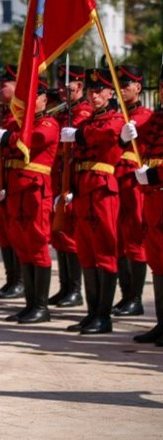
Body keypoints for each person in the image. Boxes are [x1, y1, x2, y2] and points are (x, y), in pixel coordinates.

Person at [59, 68, 125, 334]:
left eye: (100, 91)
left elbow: (106, 134)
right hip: (84, 188)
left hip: (103, 189)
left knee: (105, 252)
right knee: (86, 251)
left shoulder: (117, 119)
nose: (95, 95)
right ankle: (91, 312)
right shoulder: (85, 123)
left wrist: (78, 135)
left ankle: (104, 315)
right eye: (91, 91)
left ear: (110, 93)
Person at [0, 77, 59, 324]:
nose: (31, 102)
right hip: (16, 192)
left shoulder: (49, 123)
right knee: (23, 247)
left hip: (35, 192)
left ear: (44, 99)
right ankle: (30, 304)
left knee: (38, 247)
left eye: (35, 97)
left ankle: (41, 306)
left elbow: (33, 141)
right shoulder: (21, 125)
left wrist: (8, 137)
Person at [49, 65, 91, 308]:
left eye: (70, 85)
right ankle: (65, 287)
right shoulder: (61, 113)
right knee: (60, 234)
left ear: (80, 87)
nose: (64, 90)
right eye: (62, 86)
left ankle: (75, 290)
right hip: (58, 175)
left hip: (73, 176)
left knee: (71, 235)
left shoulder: (83, 112)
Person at [128, 65, 163, 343]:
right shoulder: (159, 118)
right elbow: (143, 137)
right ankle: (161, 323)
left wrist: (154, 174)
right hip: (153, 197)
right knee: (158, 261)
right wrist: (126, 134)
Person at [112, 65, 151, 316]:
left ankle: (135, 298)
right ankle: (125, 295)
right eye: (119, 85)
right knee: (118, 240)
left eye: (126, 85)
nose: (122, 89)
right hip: (116, 181)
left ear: (138, 87)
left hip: (134, 182)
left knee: (135, 239)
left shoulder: (145, 115)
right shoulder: (117, 116)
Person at [0, 64, 24, 300]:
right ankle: (11, 278)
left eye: (5, 84)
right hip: (1, 177)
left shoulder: (20, 117)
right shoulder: (0, 114)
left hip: (18, 179)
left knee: (19, 232)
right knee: (4, 231)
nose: (0, 88)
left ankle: (21, 281)